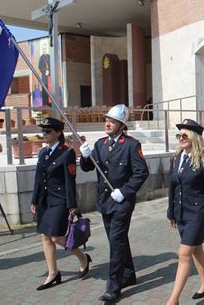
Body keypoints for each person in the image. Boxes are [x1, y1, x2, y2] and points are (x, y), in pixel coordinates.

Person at [79, 104, 149, 302]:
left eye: (112, 121)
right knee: (117, 239)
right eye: (106, 120)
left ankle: (114, 287)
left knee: (116, 243)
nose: (107, 123)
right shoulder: (100, 144)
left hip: (122, 202)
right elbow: (87, 168)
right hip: (105, 201)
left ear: (121, 125)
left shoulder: (131, 145)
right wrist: (84, 156)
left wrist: (125, 191)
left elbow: (141, 172)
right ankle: (129, 274)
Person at [31, 117, 91, 291]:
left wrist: (72, 205)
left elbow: (69, 180)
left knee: (57, 237)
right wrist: (34, 199)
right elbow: (38, 178)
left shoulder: (67, 152)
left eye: (48, 131)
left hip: (60, 201)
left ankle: (83, 258)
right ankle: (53, 273)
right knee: (45, 236)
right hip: (44, 201)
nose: (44, 134)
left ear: (58, 133)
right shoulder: (43, 153)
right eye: (43, 131)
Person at [167, 119, 204, 304]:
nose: (181, 138)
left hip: (197, 214)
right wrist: (170, 212)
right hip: (181, 212)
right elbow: (172, 187)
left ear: (194, 137)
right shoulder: (176, 158)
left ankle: (173, 300)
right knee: (196, 249)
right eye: (179, 135)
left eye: (184, 135)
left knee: (183, 254)